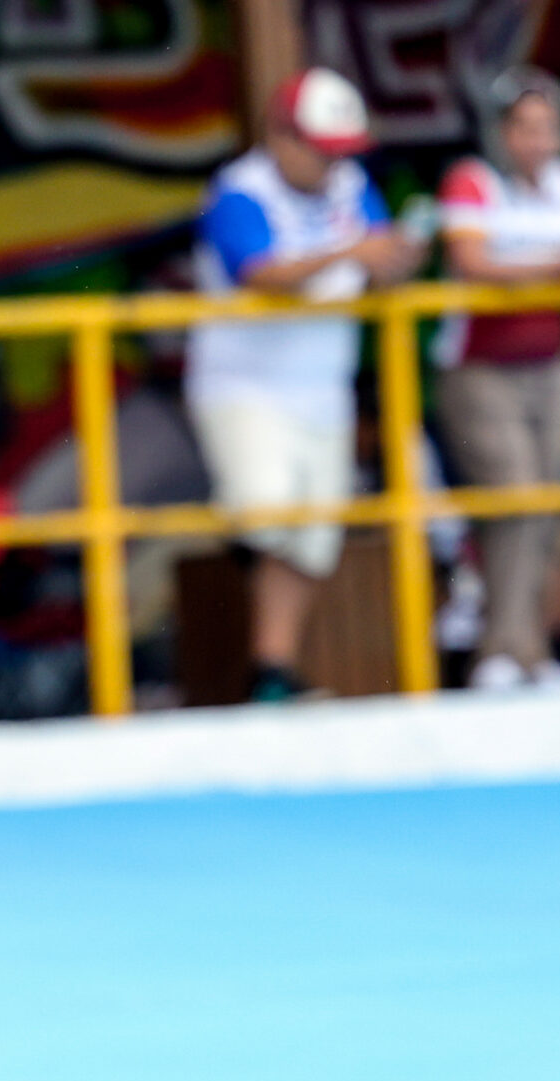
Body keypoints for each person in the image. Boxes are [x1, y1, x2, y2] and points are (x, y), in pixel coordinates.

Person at [185, 67, 422, 703]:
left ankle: (272, 670)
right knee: (265, 508)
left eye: (341, 150)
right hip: (245, 388)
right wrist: (350, 253)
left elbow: (376, 259)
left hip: (324, 389)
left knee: (311, 540)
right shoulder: (240, 190)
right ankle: (235, 543)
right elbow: (257, 272)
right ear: (281, 136)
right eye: (321, 149)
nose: (332, 163)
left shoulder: (351, 185)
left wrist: (396, 260)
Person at [432, 70, 560, 689]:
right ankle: (501, 652)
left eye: (547, 129)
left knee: (549, 503)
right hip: (480, 371)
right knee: (515, 495)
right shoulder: (471, 181)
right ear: (499, 132)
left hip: (550, 366)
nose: (537, 142)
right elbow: (473, 264)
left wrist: (551, 268)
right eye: (524, 128)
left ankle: (530, 652)